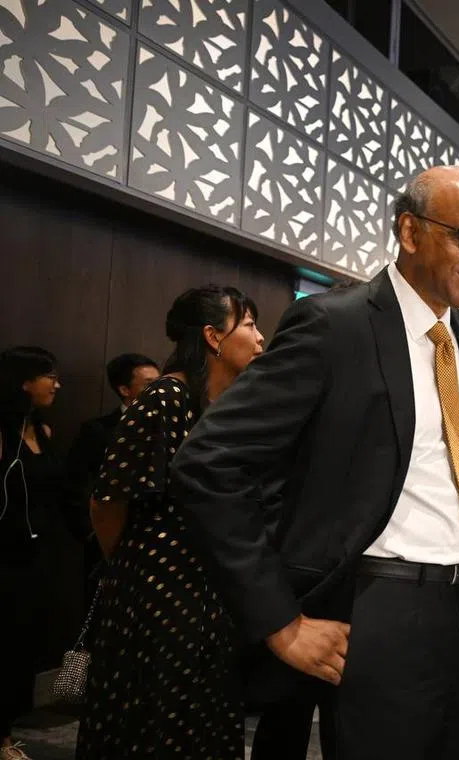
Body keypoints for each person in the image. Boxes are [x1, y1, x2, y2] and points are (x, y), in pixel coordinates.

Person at [168, 166, 459, 760]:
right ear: (410, 231)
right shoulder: (334, 326)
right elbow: (207, 463)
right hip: (380, 608)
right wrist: (279, 621)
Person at [77, 286, 265, 759]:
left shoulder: (223, 404)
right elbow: (107, 502)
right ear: (212, 337)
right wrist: (138, 569)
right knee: (155, 723)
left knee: (202, 719)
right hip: (156, 595)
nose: (261, 338)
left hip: (210, 591)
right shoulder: (165, 396)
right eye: (248, 325)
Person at [0, 346, 64, 760]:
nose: (57, 384)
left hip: (36, 556)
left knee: (20, 646)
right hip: (3, 555)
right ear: (23, 381)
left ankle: (6, 728)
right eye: (49, 376)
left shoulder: (42, 431)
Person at [66, 353, 160, 605]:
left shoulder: (169, 428)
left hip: (155, 545)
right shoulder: (97, 431)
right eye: (149, 385)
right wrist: (91, 533)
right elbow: (73, 485)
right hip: (107, 542)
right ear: (124, 389)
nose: (159, 393)